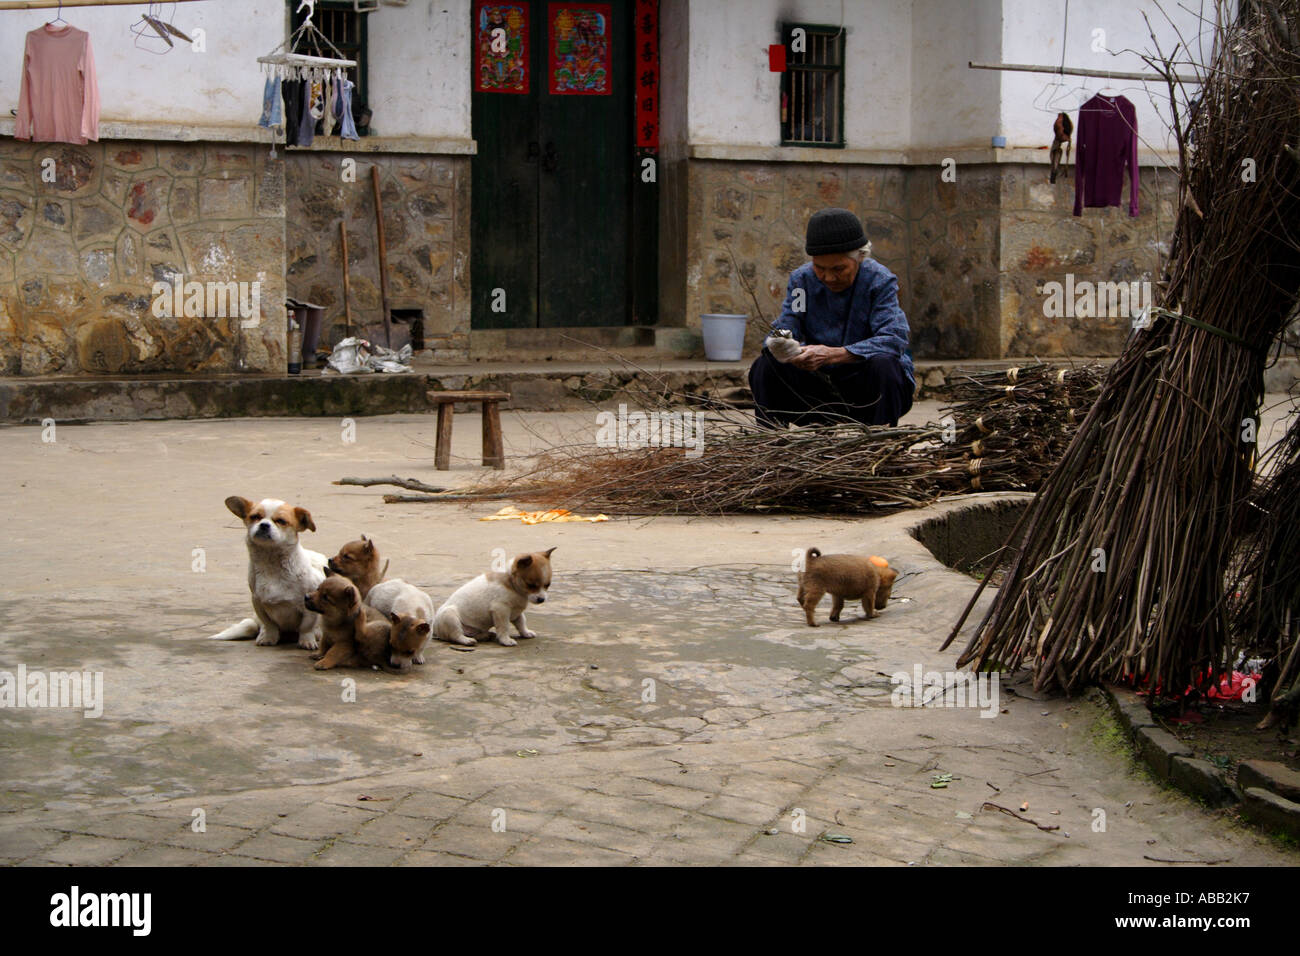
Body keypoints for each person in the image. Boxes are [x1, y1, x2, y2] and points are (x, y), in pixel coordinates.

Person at [748, 208, 915, 428]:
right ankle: (770, 443)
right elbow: (790, 322)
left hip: (864, 392)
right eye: (820, 268)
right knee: (765, 364)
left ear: (860, 258)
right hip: (817, 388)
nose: (828, 277)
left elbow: (894, 338)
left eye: (839, 268)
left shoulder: (879, 281)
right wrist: (787, 348)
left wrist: (836, 354)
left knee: (885, 364)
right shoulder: (802, 282)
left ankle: (877, 444)